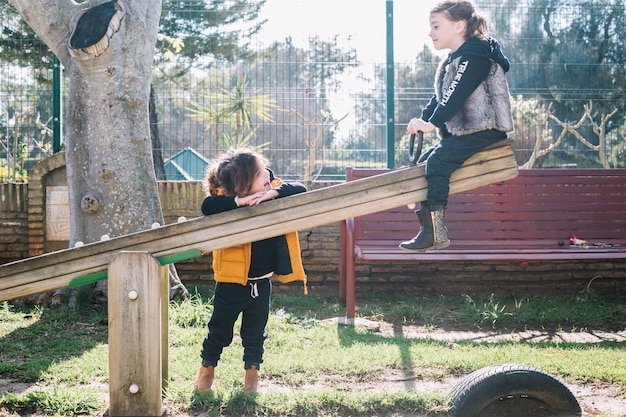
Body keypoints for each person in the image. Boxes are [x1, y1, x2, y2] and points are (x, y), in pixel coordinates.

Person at [400, 0, 514, 252]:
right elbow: (440, 97)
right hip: (466, 131)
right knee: (426, 163)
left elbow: (455, 95)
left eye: (436, 26)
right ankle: (427, 228)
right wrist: (422, 120)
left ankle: (437, 233)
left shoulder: (476, 57)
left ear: (459, 26)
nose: (431, 33)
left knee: (438, 163)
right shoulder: (457, 58)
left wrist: (432, 124)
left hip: (485, 128)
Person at [196, 147, 307, 393]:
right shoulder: (226, 203)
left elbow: (301, 189)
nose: (266, 174)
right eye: (259, 173)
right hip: (230, 284)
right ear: (242, 186)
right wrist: (239, 202)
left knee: (255, 334)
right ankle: (207, 370)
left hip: (261, 283)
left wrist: (273, 193)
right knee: (219, 332)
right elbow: (207, 206)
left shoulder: (274, 190)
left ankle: (251, 377)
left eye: (264, 169)